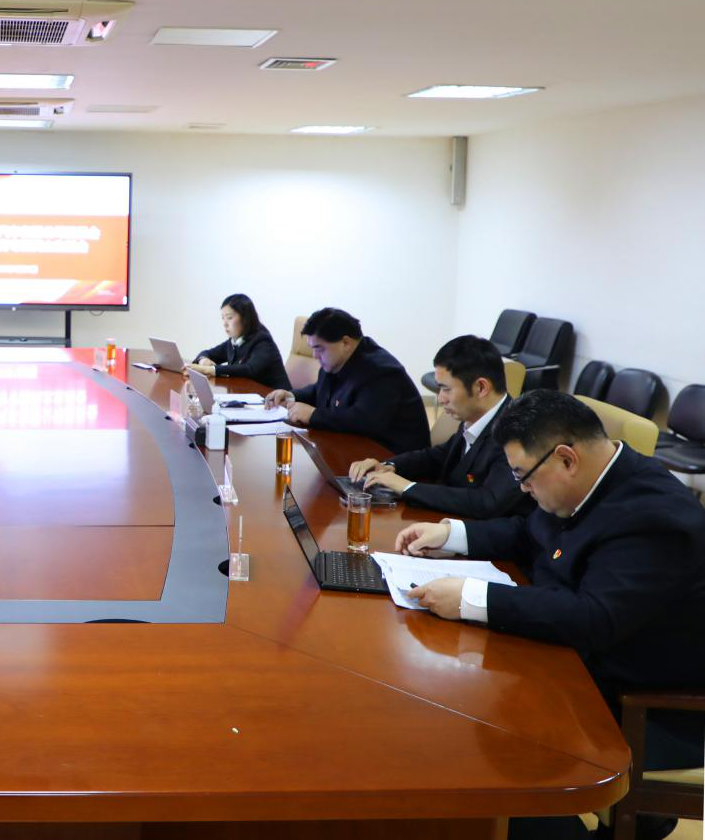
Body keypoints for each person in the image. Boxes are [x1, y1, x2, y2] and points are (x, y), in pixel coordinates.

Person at [397, 390, 705, 840]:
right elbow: (529, 533)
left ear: (566, 459)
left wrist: (471, 597)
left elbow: (595, 619)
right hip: (575, 670)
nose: (522, 489)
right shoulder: (590, 482)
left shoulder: (656, 517)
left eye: (523, 476)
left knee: (487, 756)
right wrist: (452, 536)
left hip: (642, 708)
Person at [347, 335, 531, 518]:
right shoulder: (477, 416)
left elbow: (487, 502)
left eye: (446, 389)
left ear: (481, 388)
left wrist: (407, 487)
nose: (441, 399)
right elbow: (439, 456)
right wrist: (388, 466)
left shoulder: (517, 433)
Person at [264, 308, 429, 454]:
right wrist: (291, 396)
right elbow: (320, 390)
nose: (314, 355)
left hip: (393, 460)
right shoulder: (337, 361)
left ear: (345, 343)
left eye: (319, 348)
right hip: (356, 448)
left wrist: (313, 415)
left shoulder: (380, 371)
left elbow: (363, 421)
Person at [184, 293, 290, 389]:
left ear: (245, 318)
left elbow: (249, 369)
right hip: (248, 395)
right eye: (223, 318)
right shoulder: (235, 341)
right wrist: (203, 361)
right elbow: (207, 353)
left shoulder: (262, 340)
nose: (225, 323)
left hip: (276, 399)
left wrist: (208, 370)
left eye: (229, 318)